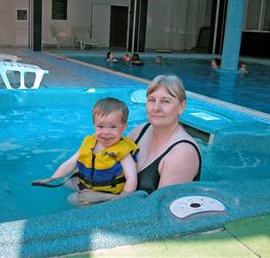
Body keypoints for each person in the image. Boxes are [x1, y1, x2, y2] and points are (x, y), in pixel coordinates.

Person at [70, 75, 202, 204]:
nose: (156, 108)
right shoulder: (141, 131)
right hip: (126, 204)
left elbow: (159, 211)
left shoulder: (182, 154)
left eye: (165, 101)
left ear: (181, 107)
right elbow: (109, 160)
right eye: (151, 100)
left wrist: (102, 197)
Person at [32, 97, 138, 206]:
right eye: (100, 126)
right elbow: (70, 164)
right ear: (94, 125)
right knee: (62, 180)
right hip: (88, 183)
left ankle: (96, 203)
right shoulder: (90, 142)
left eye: (113, 127)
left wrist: (121, 199)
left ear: (124, 127)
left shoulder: (123, 151)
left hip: (108, 191)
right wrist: (52, 178)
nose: (106, 132)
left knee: (72, 199)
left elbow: (132, 180)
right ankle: (87, 194)